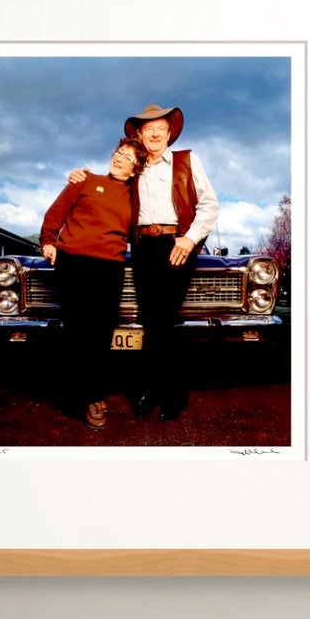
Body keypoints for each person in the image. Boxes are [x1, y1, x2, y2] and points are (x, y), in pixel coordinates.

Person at [69, 102, 219, 421]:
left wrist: (189, 239)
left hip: (176, 243)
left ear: (169, 134)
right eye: (148, 128)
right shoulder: (134, 168)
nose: (154, 133)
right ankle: (148, 391)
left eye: (160, 129)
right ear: (140, 133)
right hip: (142, 248)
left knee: (164, 320)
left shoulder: (187, 161)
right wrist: (79, 176)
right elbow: (107, 187)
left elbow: (209, 206)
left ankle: (173, 397)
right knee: (149, 321)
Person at [38, 138, 140, 430]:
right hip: (73, 263)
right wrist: (48, 240)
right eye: (118, 153)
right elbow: (55, 213)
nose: (119, 158)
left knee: (99, 334)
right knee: (76, 332)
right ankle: (90, 397)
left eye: (127, 157)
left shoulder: (135, 197)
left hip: (110, 268)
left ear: (135, 170)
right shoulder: (84, 181)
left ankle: (90, 392)